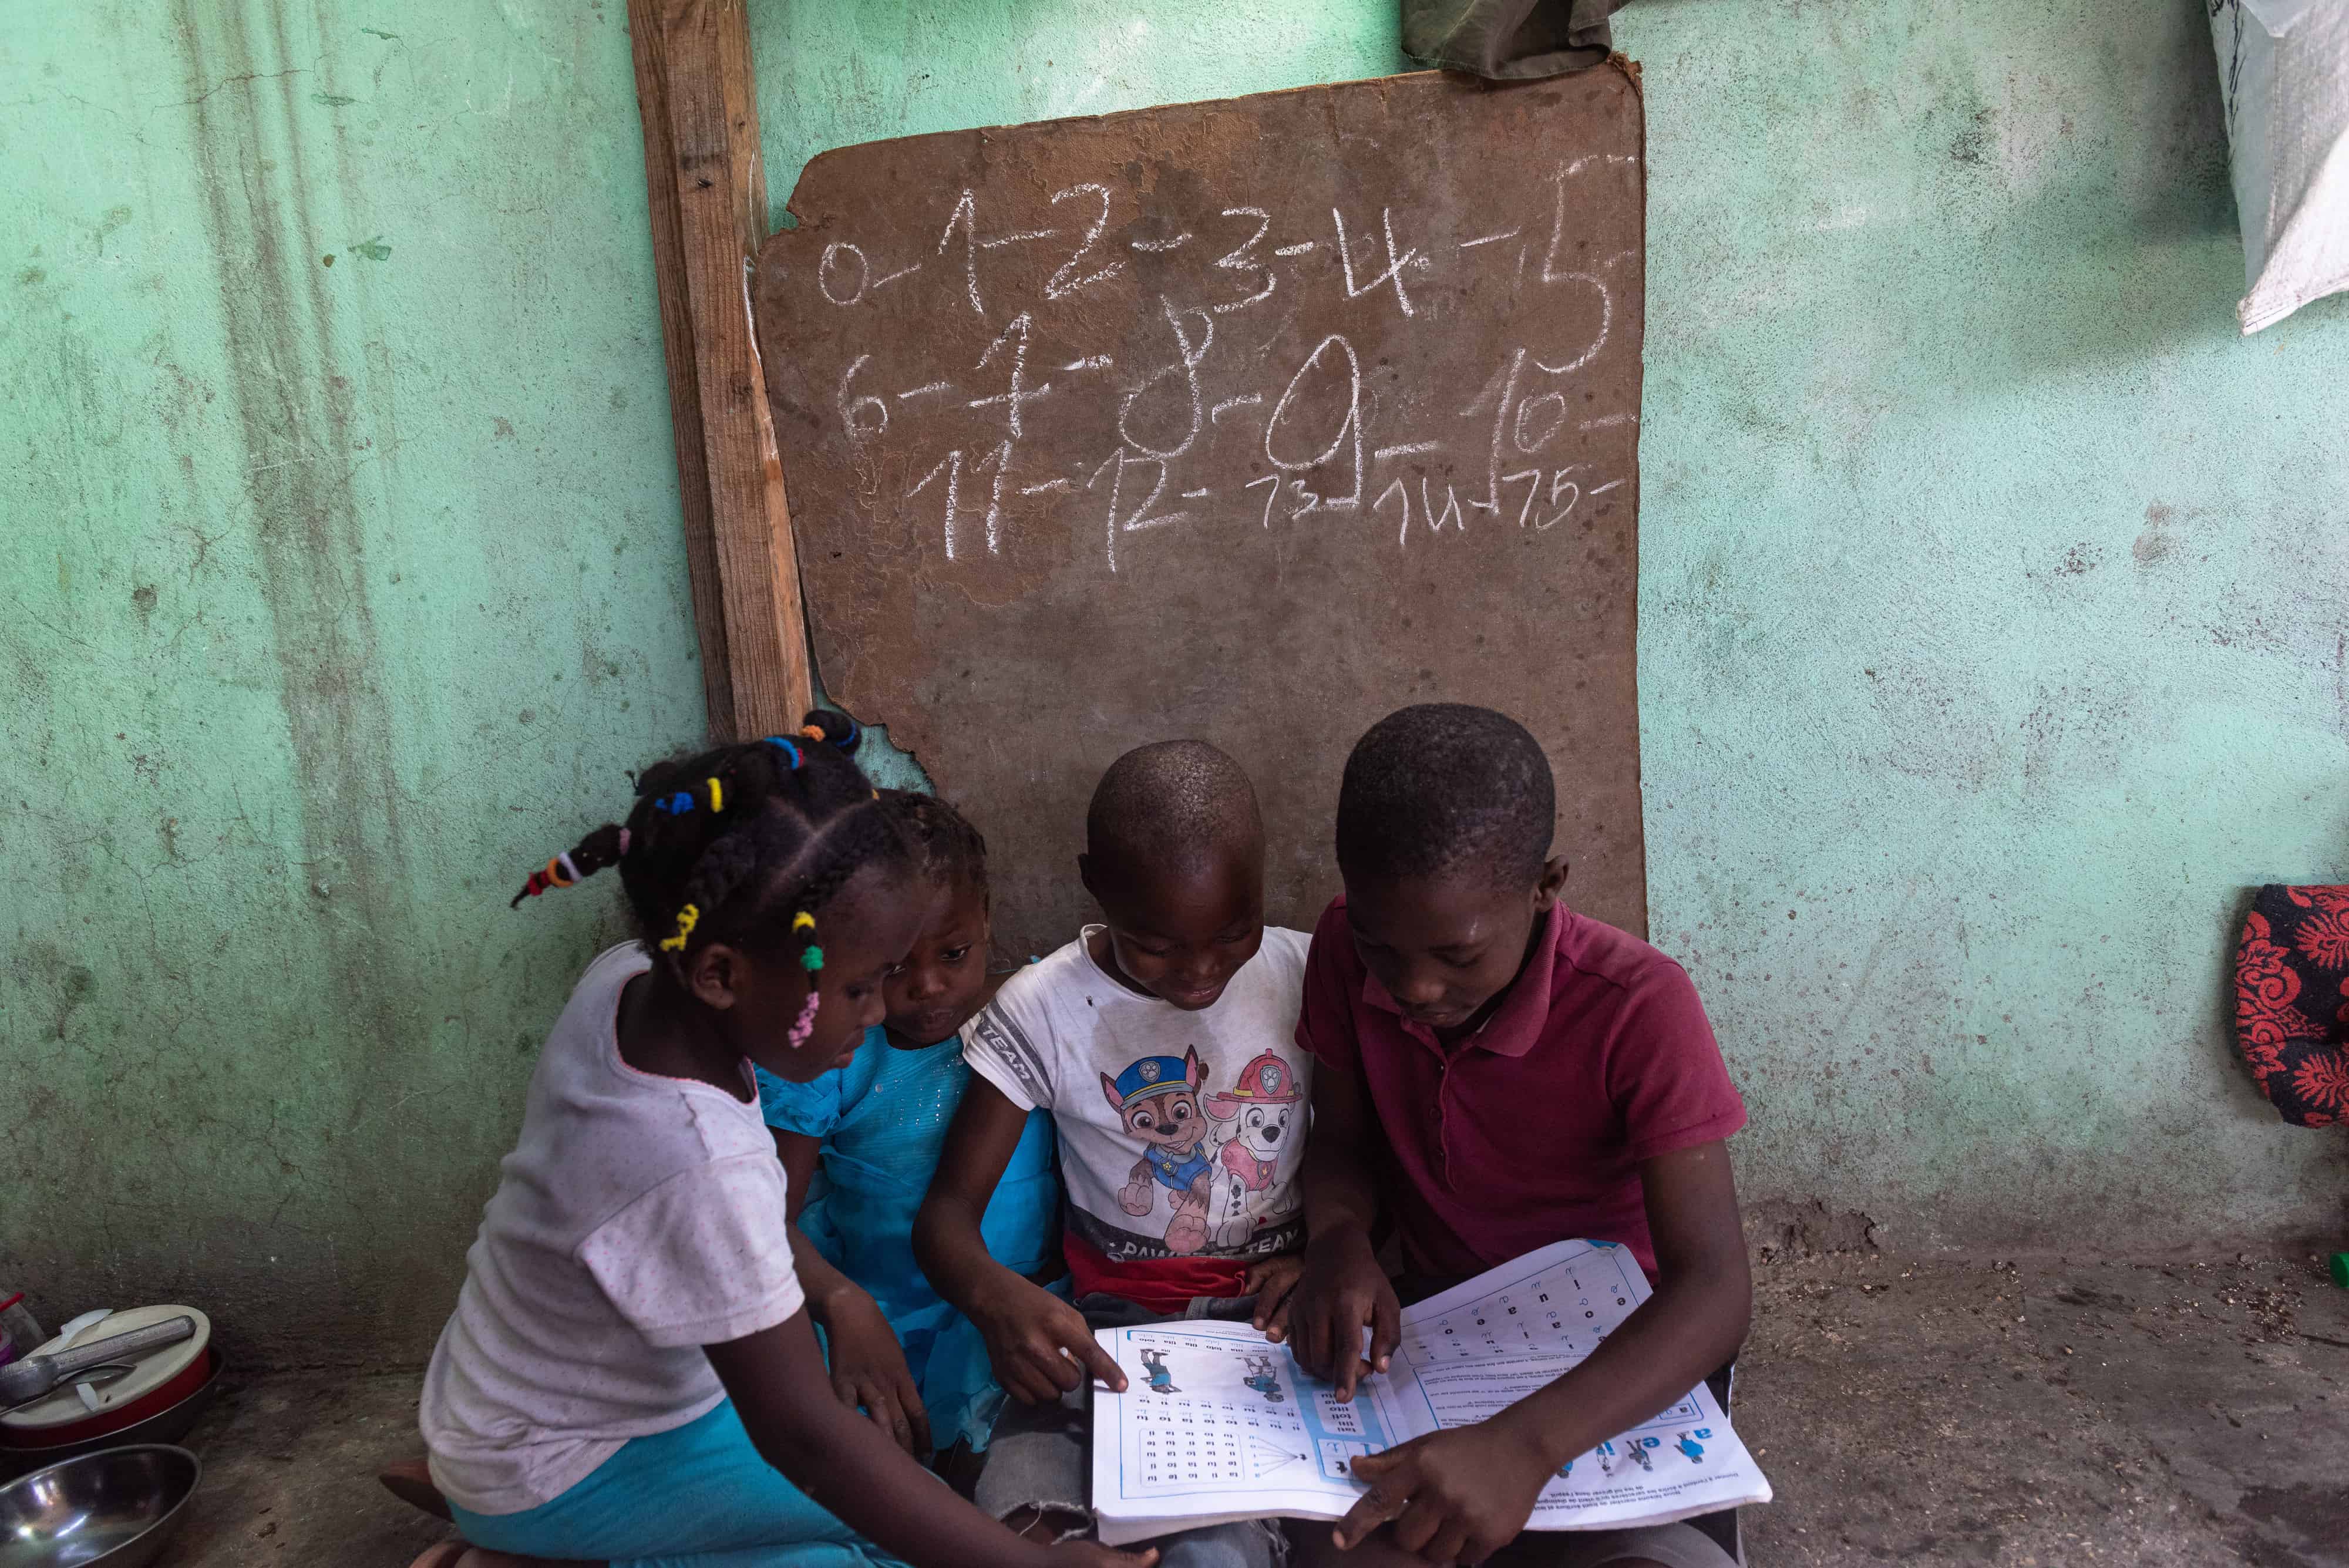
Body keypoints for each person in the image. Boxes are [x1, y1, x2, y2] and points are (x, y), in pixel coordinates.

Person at [410, 714, 1150, 1568]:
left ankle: (511, 1524)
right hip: (569, 1457)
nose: (879, 1014)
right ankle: (525, 1552)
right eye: (859, 986)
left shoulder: (627, 980)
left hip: (527, 1406)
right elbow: (805, 1436)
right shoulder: (696, 1161)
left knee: (904, 1503)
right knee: (906, 1542)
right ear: (722, 973)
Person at [1271, 704, 1751, 1568]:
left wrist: (1525, 1446)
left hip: (1613, 1361)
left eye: (1457, 956)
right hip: (1438, 1332)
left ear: (1547, 885)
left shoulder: (1638, 1006)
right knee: (1336, 1544)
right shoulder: (1345, 945)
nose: (1413, 986)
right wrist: (1340, 1241)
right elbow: (1339, 1139)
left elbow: (1715, 1287)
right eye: (1385, 947)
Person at [915, 741, 1311, 1568]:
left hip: (1271, 1331)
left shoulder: (1303, 973)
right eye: (1159, 945)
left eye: (1234, 931)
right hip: (1103, 1339)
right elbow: (947, 1217)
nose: (1202, 971)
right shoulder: (1043, 1009)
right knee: (1016, 1525)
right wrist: (999, 1301)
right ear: (1095, 882)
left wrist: (1336, 1252)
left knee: (1216, 1549)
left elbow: (1358, 1150)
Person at [757, 791, 1063, 1469]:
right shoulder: (832, 1056)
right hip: (880, 1323)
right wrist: (843, 1306)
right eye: (894, 968)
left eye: (954, 953)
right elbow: (760, 1222)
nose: (927, 986)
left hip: (1021, 1315)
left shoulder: (1039, 1011)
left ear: (987, 920)